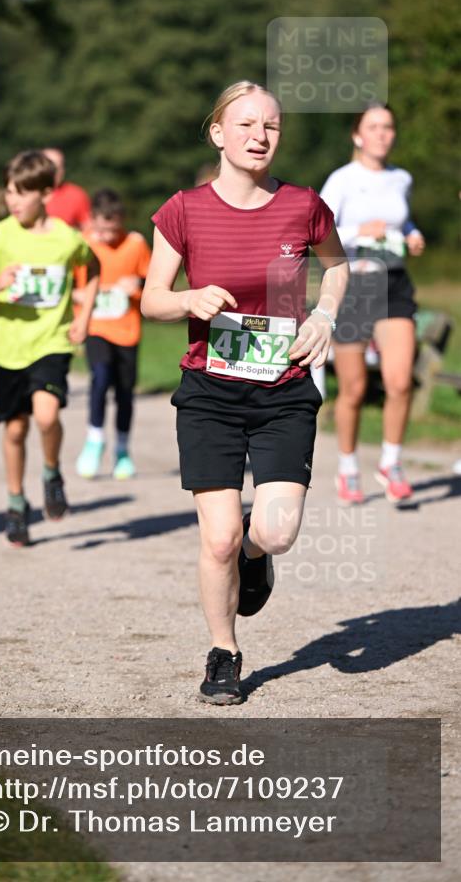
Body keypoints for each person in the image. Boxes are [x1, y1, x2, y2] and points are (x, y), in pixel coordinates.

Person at [141, 81, 348, 704]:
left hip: (284, 389)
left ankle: (255, 558)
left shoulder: (302, 205)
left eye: (272, 127)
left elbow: (337, 267)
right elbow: (151, 298)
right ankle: (223, 652)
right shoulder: (184, 210)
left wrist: (324, 317)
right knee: (218, 536)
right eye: (247, 125)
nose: (260, 137)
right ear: (218, 134)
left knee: (276, 531)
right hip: (210, 391)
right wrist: (186, 298)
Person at [0, 150, 99, 547]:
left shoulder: (65, 238)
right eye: (9, 192)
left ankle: (51, 472)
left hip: (51, 342)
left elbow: (92, 268)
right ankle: (15, 502)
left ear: (46, 193)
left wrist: (84, 315)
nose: (13, 201)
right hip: (9, 348)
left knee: (45, 416)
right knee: (15, 428)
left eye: (22, 193)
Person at [320, 103, 425, 506]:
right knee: (354, 389)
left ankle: (391, 462)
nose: (382, 134)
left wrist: (412, 235)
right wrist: (358, 230)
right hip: (356, 285)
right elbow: (320, 231)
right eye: (374, 127)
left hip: (394, 283)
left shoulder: (402, 179)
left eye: (388, 127)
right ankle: (347, 468)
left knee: (399, 381)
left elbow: (404, 221)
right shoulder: (343, 180)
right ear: (358, 135)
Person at [73, 189, 151, 480]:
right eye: (102, 229)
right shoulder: (81, 244)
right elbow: (67, 284)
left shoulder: (135, 244)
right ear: (91, 220)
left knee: (125, 392)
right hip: (96, 326)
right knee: (100, 377)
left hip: (127, 330)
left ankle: (122, 450)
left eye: (113, 229)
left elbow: (154, 281)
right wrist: (78, 296)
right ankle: (95, 440)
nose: (107, 235)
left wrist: (139, 282)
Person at [42, 148, 91, 229]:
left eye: (59, 167)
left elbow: (88, 230)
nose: (55, 172)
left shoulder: (76, 195)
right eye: (50, 167)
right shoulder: (27, 194)